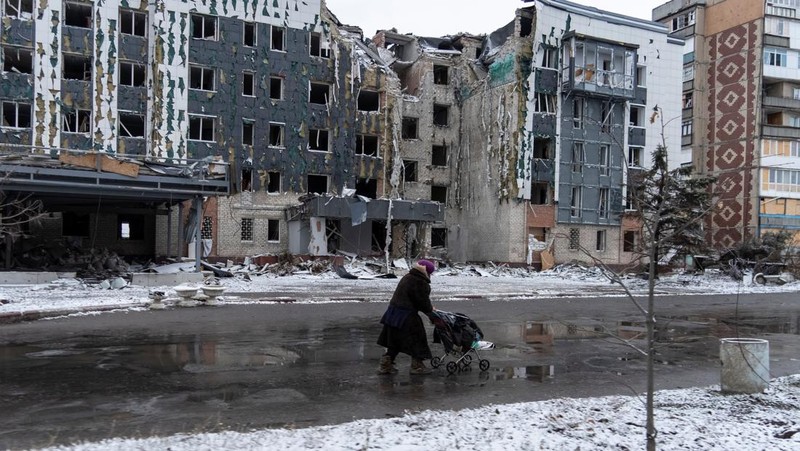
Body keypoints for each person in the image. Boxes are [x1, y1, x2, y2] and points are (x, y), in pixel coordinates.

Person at [376, 259, 436, 375]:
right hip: (406, 315)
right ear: (426, 272)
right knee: (418, 339)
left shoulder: (408, 277)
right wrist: (431, 312)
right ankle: (417, 366)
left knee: (394, 340)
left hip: (393, 314)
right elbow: (422, 302)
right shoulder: (420, 282)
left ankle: (386, 364)